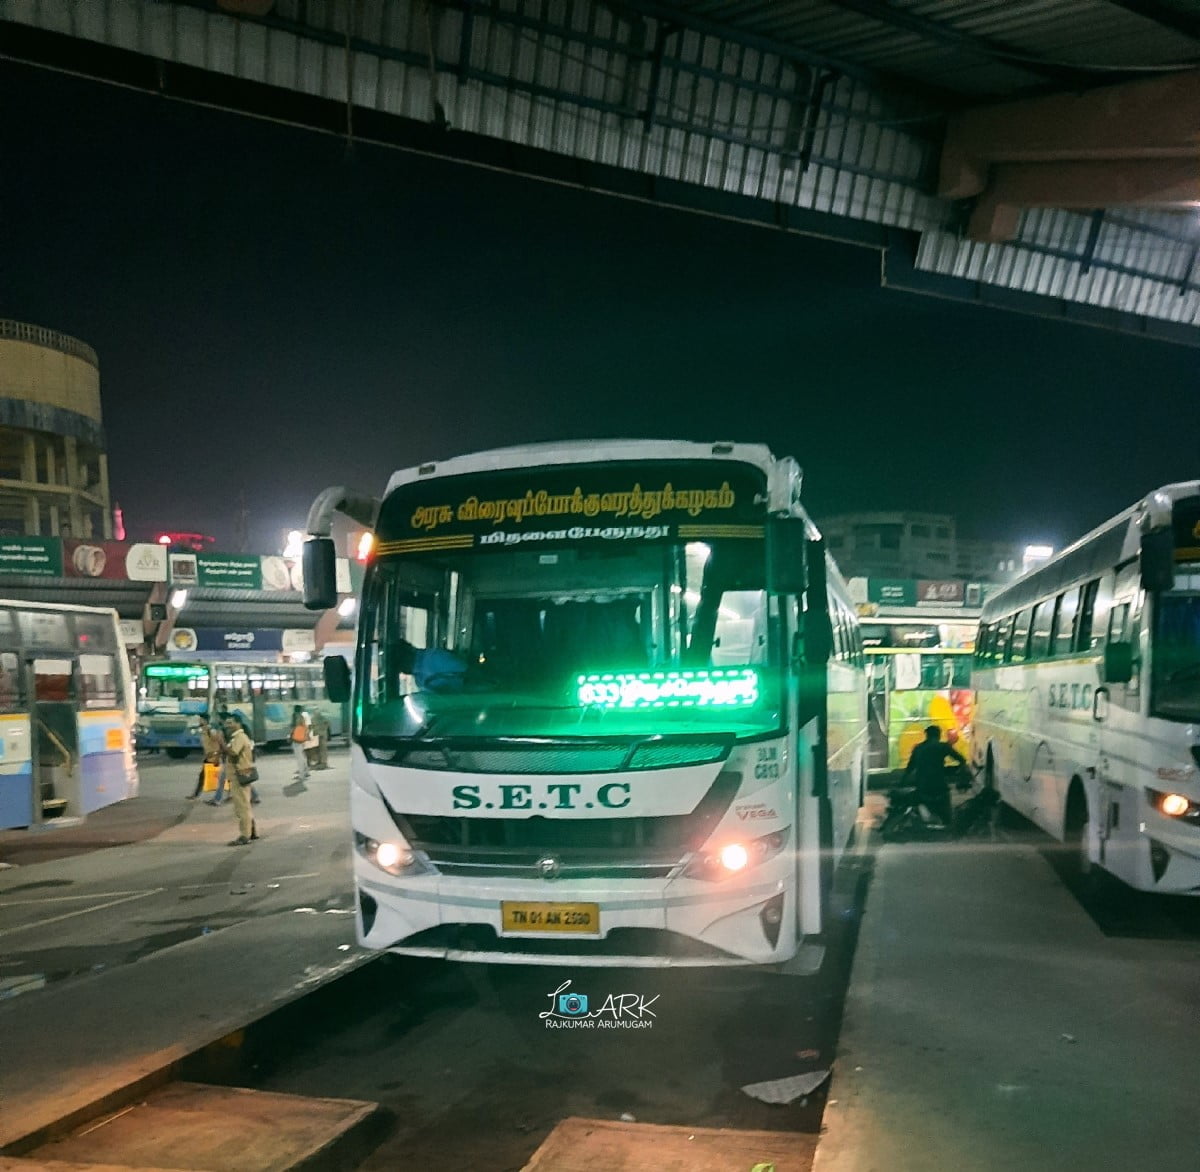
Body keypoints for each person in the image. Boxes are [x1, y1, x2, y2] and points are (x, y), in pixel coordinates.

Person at [902, 724, 967, 830]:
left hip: (922, 787)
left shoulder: (918, 748)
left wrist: (902, 782)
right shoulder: (943, 747)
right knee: (948, 818)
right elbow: (962, 760)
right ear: (939, 735)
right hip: (940, 787)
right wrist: (955, 771)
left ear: (926, 735)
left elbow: (909, 769)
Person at [223, 716, 259, 846]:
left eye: (230, 723)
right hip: (241, 774)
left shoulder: (239, 737)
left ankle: (245, 835)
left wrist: (221, 743)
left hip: (239, 775)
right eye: (227, 723)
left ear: (238, 723)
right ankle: (252, 831)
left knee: (242, 807)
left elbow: (233, 752)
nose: (228, 725)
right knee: (245, 805)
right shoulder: (238, 737)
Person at [395, 639, 467, 693]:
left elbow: (467, 674)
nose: (402, 671)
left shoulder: (434, 657)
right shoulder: (419, 679)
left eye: (400, 666)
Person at [189, 715, 225, 801]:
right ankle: (196, 794)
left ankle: (219, 797)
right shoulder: (204, 731)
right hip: (208, 757)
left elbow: (220, 742)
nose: (199, 722)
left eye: (201, 720)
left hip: (214, 757)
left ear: (206, 721)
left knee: (222, 778)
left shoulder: (211, 731)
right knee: (203, 776)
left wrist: (217, 755)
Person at [290, 704, 311, 784]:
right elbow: (308, 727)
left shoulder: (295, 717)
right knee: (303, 756)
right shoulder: (305, 716)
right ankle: (306, 772)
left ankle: (302, 775)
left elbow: (293, 728)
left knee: (299, 758)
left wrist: (290, 735)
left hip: (296, 740)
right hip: (303, 740)